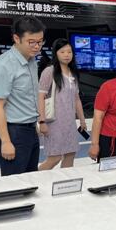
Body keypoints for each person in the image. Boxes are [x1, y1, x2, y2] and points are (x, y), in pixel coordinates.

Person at [0, 16, 45, 176]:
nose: (37, 46)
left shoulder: (32, 61)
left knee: (31, 179)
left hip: (29, 129)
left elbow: (26, 98)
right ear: (16, 38)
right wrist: (6, 142)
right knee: (14, 184)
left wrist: (34, 124)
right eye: (31, 42)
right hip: (13, 132)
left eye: (40, 42)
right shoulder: (3, 66)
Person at [37, 38, 87, 170]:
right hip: (54, 122)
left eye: (69, 52)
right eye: (62, 52)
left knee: (70, 154)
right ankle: (34, 178)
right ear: (56, 53)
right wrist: (41, 121)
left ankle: (66, 181)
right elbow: (40, 97)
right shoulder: (50, 71)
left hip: (70, 123)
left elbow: (76, 99)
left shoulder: (73, 73)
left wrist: (82, 120)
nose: (66, 55)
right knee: (55, 158)